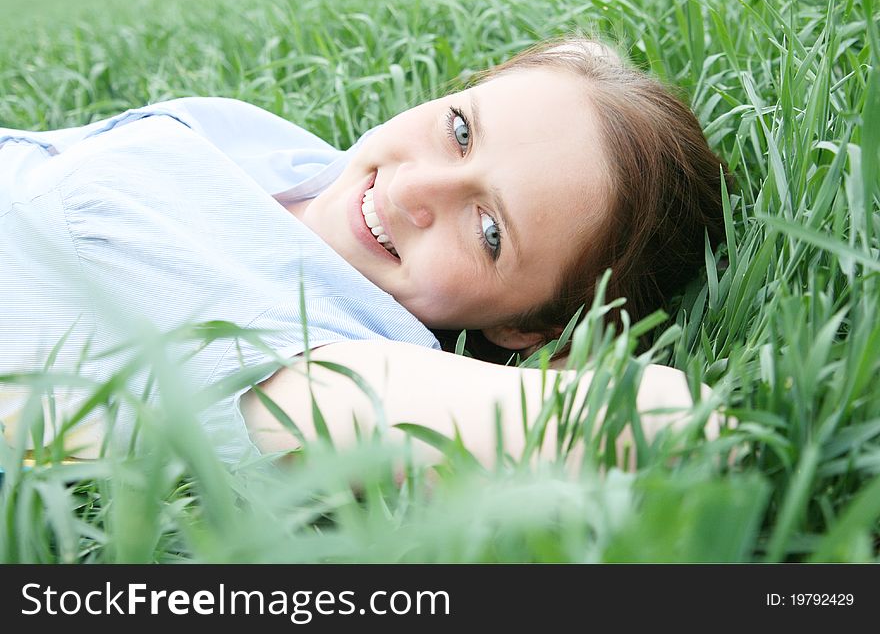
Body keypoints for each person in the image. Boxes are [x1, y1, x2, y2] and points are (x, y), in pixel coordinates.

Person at [0, 36, 729, 469]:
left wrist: (574, 367)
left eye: (489, 232)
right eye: (460, 131)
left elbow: (674, 428)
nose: (414, 186)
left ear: (523, 328)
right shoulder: (300, 164)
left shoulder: (321, 358)